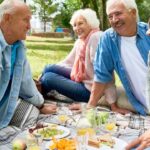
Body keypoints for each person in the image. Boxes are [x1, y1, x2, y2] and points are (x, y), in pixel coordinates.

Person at [0, 0, 57, 129]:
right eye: (26, 20)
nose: (29, 26)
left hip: (5, 106)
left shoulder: (18, 46)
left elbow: (26, 82)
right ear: (7, 18)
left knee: (33, 113)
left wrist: (41, 105)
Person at [40, 8, 117, 103]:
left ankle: (37, 96)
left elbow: (105, 72)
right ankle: (37, 91)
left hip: (90, 91)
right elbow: (68, 62)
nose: (77, 28)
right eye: (74, 25)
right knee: (48, 68)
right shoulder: (81, 41)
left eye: (80, 23)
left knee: (48, 78)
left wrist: (112, 102)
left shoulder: (96, 37)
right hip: (82, 78)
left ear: (90, 23)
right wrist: (47, 71)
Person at [87, 0, 150, 115]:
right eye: (110, 16)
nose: (114, 20)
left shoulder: (148, 33)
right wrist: (89, 107)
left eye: (118, 14)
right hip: (143, 106)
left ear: (133, 13)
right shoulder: (108, 39)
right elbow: (102, 75)